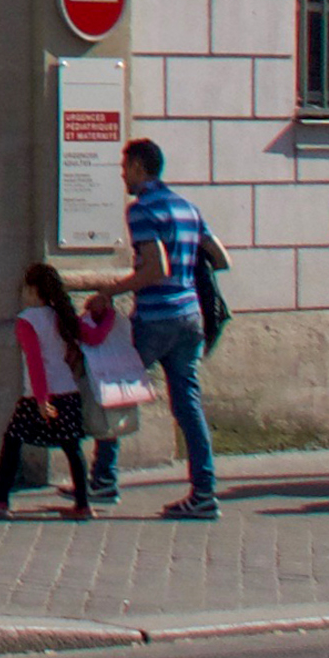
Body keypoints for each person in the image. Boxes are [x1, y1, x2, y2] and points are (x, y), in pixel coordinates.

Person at [120, 136, 224, 520]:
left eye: (124, 166)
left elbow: (154, 269)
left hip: (155, 316)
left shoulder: (142, 210)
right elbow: (219, 256)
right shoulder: (187, 207)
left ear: (138, 167)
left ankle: (101, 478)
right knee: (188, 405)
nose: (122, 174)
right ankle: (204, 492)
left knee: (119, 390)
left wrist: (110, 291)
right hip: (191, 315)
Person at [0, 259, 103, 518]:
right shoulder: (62, 316)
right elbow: (93, 337)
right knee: (72, 448)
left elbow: (35, 363)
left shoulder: (27, 320)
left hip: (39, 396)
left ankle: (1, 499)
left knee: (13, 440)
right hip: (68, 392)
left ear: (32, 290)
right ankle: (83, 505)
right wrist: (106, 317)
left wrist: (40, 399)